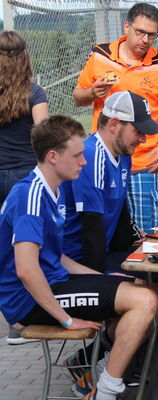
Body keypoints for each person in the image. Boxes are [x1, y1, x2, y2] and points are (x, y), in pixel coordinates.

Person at [0, 115, 158, 400]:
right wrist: (67, 320)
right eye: (77, 155)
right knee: (145, 301)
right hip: (28, 300)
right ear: (53, 156)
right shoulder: (30, 195)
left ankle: (99, 368)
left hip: (55, 282)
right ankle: (105, 392)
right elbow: (26, 271)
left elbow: (56, 257)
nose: (83, 161)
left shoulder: (52, 190)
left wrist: (100, 278)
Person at [73, 2, 158, 233]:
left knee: (148, 236)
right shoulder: (100, 55)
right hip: (103, 162)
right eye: (140, 32)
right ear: (127, 27)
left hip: (144, 163)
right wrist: (92, 92)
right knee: (103, 229)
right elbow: (78, 97)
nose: (145, 40)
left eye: (151, 35)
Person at [62, 90, 158, 274]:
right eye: (138, 131)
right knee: (151, 283)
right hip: (78, 261)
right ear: (114, 124)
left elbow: (119, 210)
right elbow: (92, 228)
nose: (143, 139)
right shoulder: (92, 155)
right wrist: (100, 282)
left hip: (102, 252)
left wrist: (134, 236)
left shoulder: (123, 154)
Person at [0, 30, 49, 345]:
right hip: (24, 178)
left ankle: (13, 318)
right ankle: (24, 318)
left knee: (4, 248)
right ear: (25, 57)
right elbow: (43, 136)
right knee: (29, 249)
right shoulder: (35, 92)